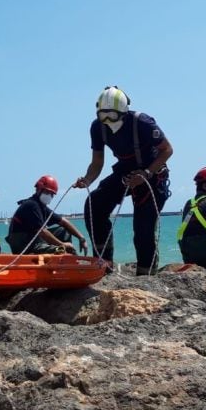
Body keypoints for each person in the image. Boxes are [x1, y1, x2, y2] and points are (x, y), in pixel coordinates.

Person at [73, 86, 172, 275]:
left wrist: (146, 173)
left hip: (152, 173)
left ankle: (146, 273)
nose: (108, 121)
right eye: (103, 116)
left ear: (123, 112)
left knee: (143, 228)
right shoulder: (98, 127)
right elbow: (97, 162)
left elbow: (167, 150)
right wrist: (86, 180)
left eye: (112, 115)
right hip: (125, 171)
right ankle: (104, 262)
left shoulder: (142, 122)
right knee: (94, 205)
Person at [6, 175, 88, 255]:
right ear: (38, 189)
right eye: (47, 192)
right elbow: (42, 232)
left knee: (64, 231)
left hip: (34, 240)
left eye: (52, 194)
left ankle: (68, 255)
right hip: (24, 246)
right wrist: (62, 244)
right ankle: (66, 258)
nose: (49, 195)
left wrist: (81, 238)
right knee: (61, 250)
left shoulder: (41, 207)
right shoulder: (31, 205)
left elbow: (63, 221)